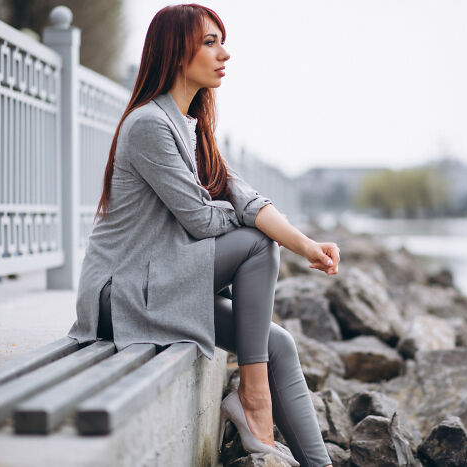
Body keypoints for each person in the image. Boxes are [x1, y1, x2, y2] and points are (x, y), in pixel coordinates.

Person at [66, 4, 339, 467]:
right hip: (123, 293)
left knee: (280, 344)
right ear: (175, 52)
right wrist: (245, 218)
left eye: (222, 41)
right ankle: (254, 399)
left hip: (163, 282)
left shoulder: (193, 128)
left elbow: (247, 199)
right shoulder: (149, 124)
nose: (224, 54)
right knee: (256, 243)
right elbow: (201, 220)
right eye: (210, 43)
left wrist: (307, 246)